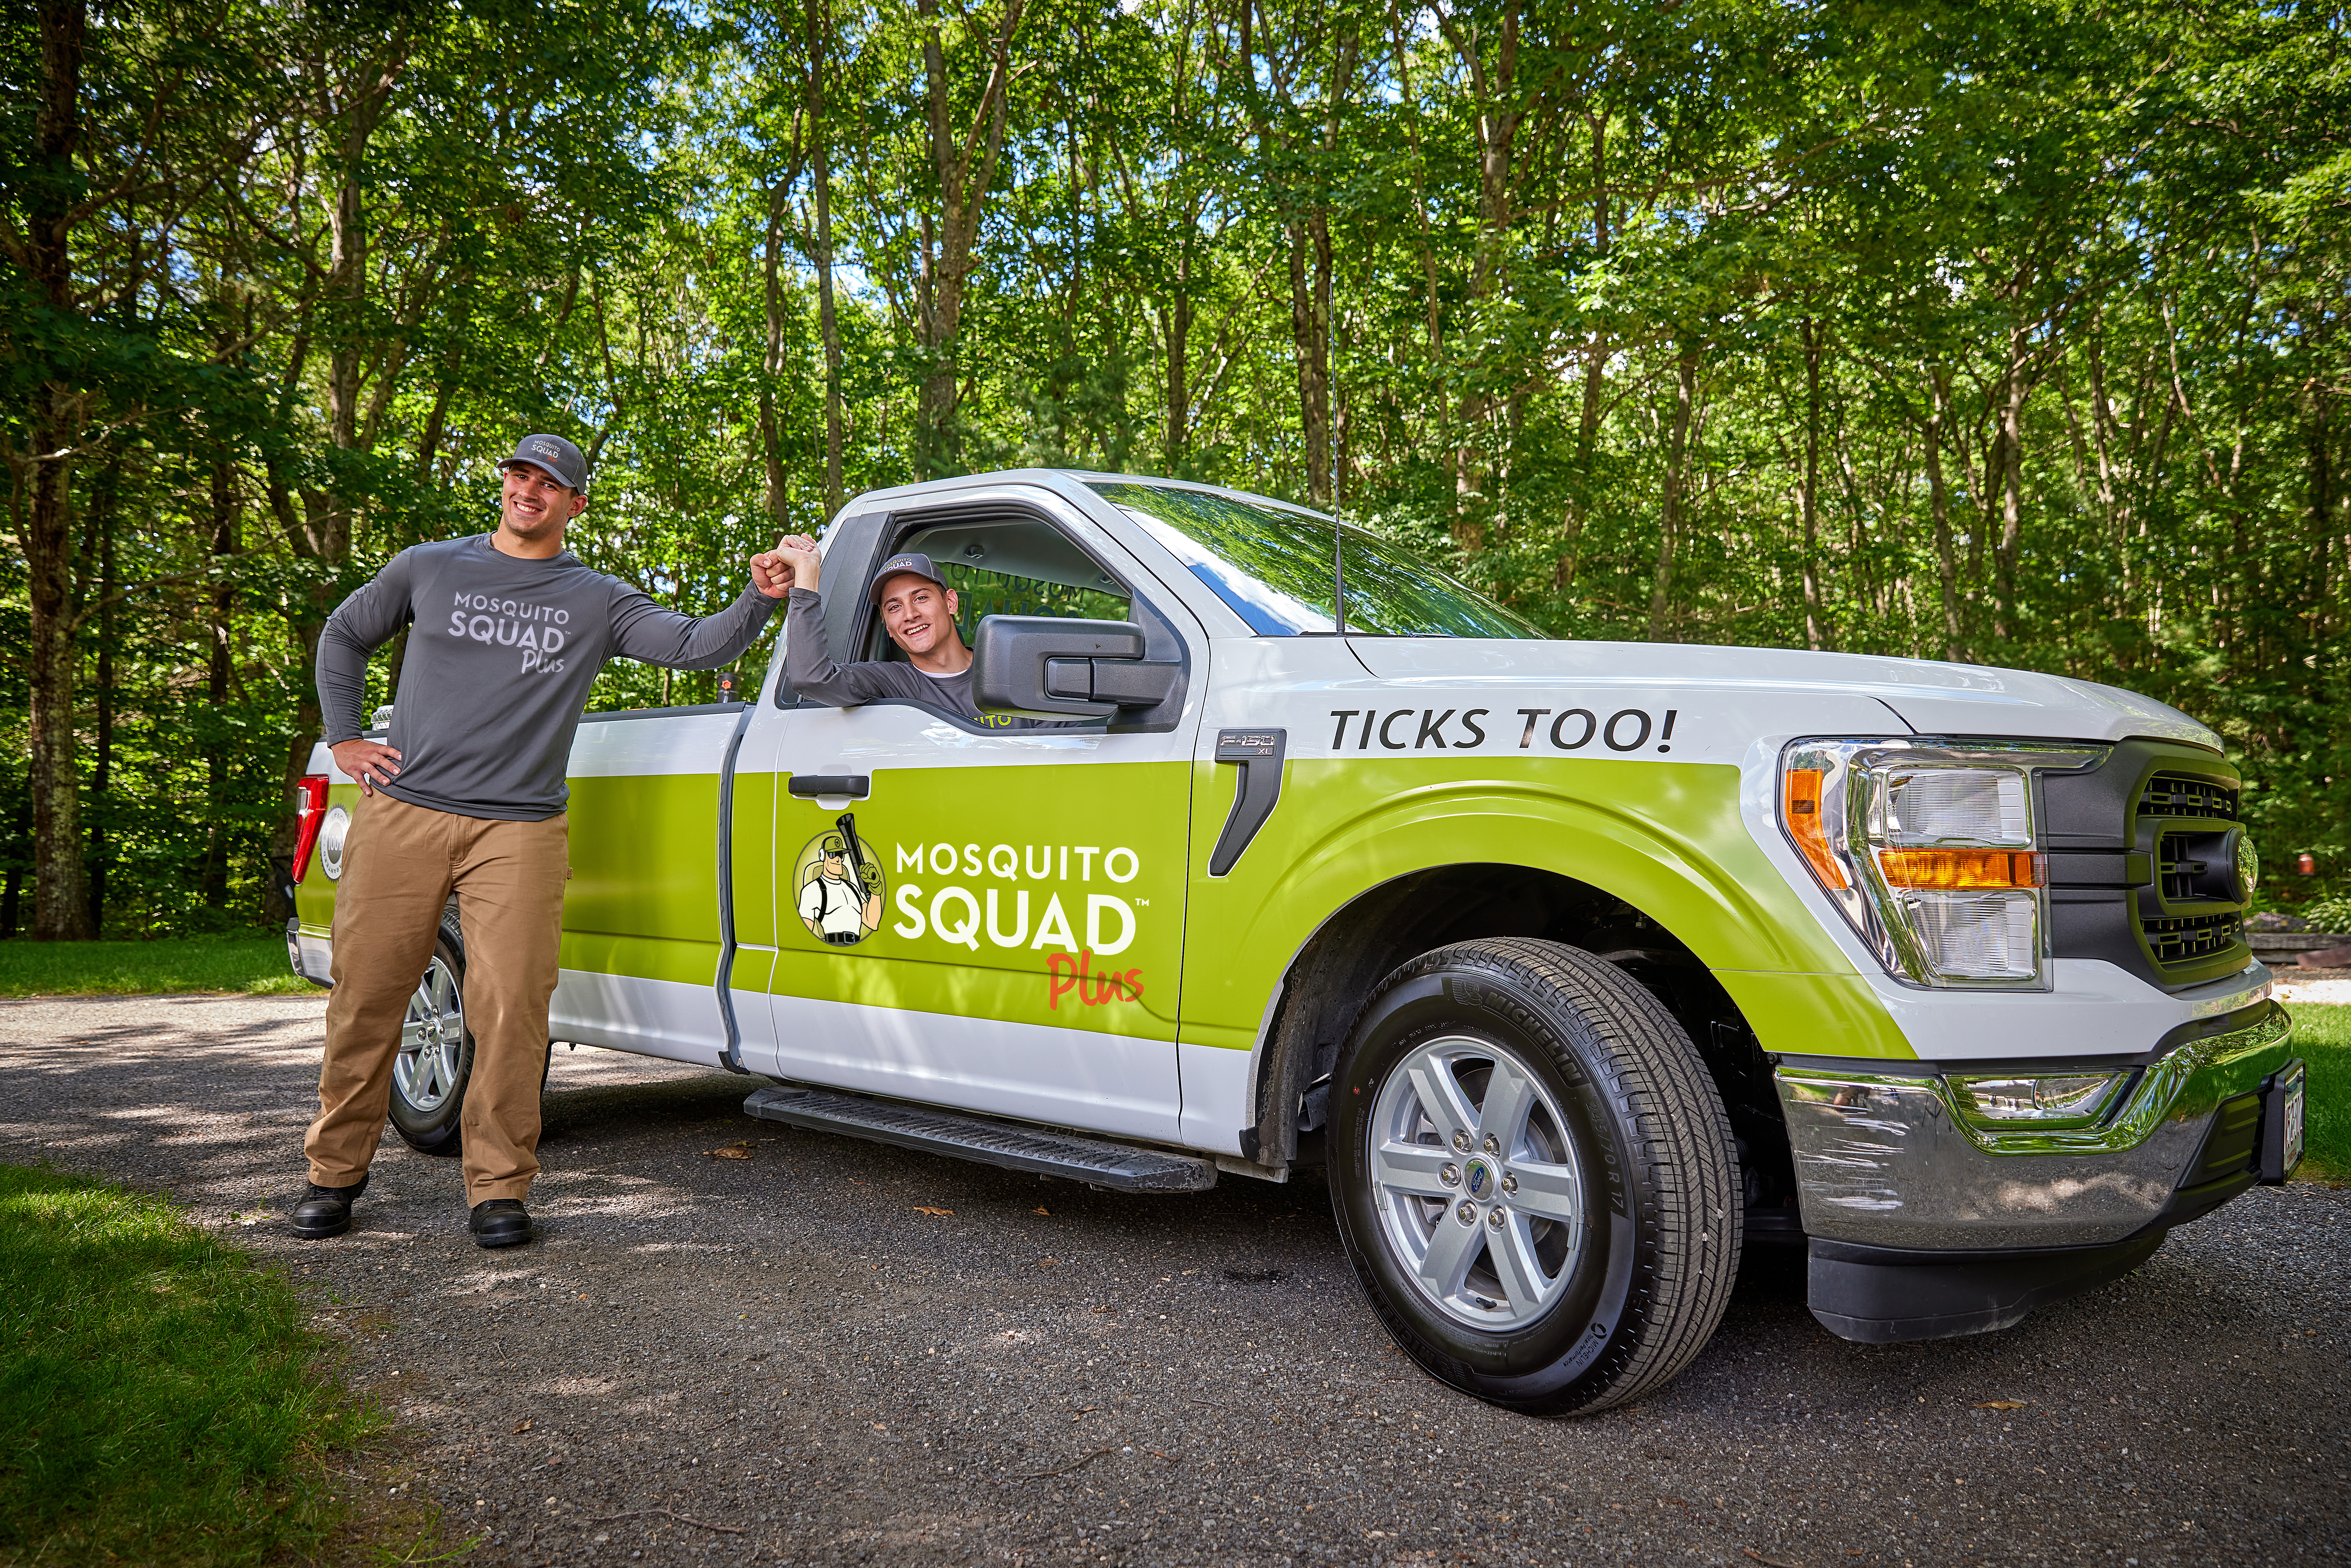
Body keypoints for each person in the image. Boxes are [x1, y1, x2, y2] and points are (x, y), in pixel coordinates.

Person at [292, 434, 801, 1249]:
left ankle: (498, 1188)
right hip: (406, 813)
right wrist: (346, 738)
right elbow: (344, 636)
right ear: (506, 485)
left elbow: (699, 645)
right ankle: (334, 1176)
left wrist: (759, 597)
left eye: (550, 483)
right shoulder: (429, 566)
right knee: (369, 997)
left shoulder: (594, 598)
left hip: (520, 828)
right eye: (520, 475)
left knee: (511, 1011)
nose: (530, 490)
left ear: (575, 504)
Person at [768, 537, 1054, 728]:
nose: (909, 615)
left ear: (950, 603)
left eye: (921, 598)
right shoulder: (888, 682)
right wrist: (806, 573)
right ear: (889, 629)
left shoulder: (1014, 674)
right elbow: (812, 679)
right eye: (894, 607)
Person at [798, 832, 880, 943]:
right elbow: (804, 936)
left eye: (841, 855)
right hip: (833, 947)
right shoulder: (812, 890)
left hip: (857, 947)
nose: (838, 859)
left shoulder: (853, 888)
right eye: (833, 855)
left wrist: (876, 888)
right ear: (823, 856)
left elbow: (873, 923)